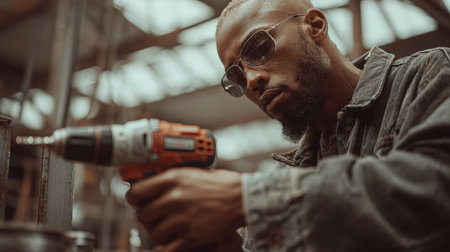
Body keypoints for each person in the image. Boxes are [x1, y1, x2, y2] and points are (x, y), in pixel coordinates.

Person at [125, 0, 450, 251]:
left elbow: (436, 186)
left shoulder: (429, 75)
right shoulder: (288, 173)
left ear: (315, 26)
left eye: (259, 48)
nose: (253, 79)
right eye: (236, 76)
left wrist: (246, 199)